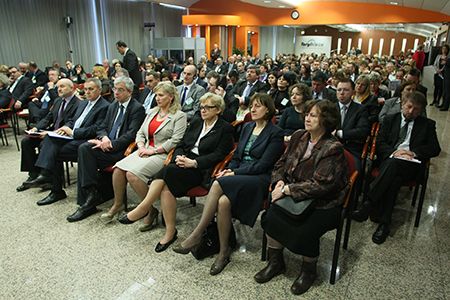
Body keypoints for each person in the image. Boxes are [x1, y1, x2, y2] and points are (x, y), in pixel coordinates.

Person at [173, 93, 284, 275]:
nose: (253, 109)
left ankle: (197, 233)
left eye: (258, 106)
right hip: (239, 175)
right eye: (252, 106)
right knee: (223, 202)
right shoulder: (247, 127)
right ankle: (224, 252)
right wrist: (229, 169)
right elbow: (237, 156)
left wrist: (234, 173)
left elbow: (263, 165)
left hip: (260, 179)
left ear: (268, 110)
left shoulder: (276, 133)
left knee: (217, 183)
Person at [118, 93, 234, 253]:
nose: (203, 110)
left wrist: (194, 162)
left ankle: (145, 207)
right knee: (166, 188)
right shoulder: (196, 121)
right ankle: (169, 231)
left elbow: (220, 154)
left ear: (218, 110)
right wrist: (179, 156)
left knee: (167, 173)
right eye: (202, 107)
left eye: (208, 107)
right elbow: (182, 143)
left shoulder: (225, 128)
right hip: (183, 162)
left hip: (202, 168)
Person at [254, 99, 348, 295]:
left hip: (324, 203)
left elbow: (321, 185)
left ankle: (308, 270)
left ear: (326, 120)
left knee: (306, 227)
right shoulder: (298, 136)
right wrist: (279, 181)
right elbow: (280, 163)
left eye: (313, 115)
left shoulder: (333, 148)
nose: (307, 118)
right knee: (271, 216)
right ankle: (276, 262)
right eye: (307, 114)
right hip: (293, 194)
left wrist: (287, 189)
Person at [352, 92, 441, 244]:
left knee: (394, 168)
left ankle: (368, 204)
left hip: (411, 164)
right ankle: (384, 224)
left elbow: (435, 149)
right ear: (402, 105)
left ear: (421, 111)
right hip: (390, 159)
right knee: (394, 180)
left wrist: (413, 153)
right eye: (409, 107)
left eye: (416, 109)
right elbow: (380, 143)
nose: (411, 111)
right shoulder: (390, 120)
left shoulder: (427, 125)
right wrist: (395, 152)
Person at [100, 82, 187, 223]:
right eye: (156, 95)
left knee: (132, 175)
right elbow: (140, 132)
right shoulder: (153, 111)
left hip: (162, 153)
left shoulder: (179, 116)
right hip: (144, 149)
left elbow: (176, 140)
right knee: (118, 169)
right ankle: (118, 204)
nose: (157, 98)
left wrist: (153, 151)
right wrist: (140, 147)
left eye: (161, 95)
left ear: (170, 97)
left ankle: (148, 208)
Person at [66, 76, 145, 222]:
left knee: (86, 151)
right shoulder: (112, 105)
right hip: (107, 145)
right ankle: (91, 194)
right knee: (84, 148)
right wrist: (104, 138)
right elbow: (102, 126)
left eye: (120, 90)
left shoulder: (137, 108)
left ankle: (89, 199)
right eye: (114, 89)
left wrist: (112, 144)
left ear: (129, 91)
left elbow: (131, 135)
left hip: (123, 150)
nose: (116, 93)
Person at [34, 78, 110, 205]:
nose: (87, 92)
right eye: (85, 89)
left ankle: (52, 184)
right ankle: (50, 182)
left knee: (54, 152)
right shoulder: (83, 103)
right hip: (72, 136)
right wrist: (65, 128)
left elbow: (96, 129)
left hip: (84, 140)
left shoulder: (104, 106)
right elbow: (72, 120)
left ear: (99, 90)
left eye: (91, 89)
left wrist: (73, 132)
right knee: (50, 139)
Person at [16, 79, 80, 192]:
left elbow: (72, 123)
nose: (59, 89)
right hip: (52, 131)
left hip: (64, 135)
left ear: (72, 88)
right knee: (26, 141)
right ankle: (34, 174)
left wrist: (52, 133)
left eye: (63, 86)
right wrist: (36, 128)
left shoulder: (78, 103)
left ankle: (46, 176)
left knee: (45, 142)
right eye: (58, 87)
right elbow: (48, 118)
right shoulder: (58, 101)